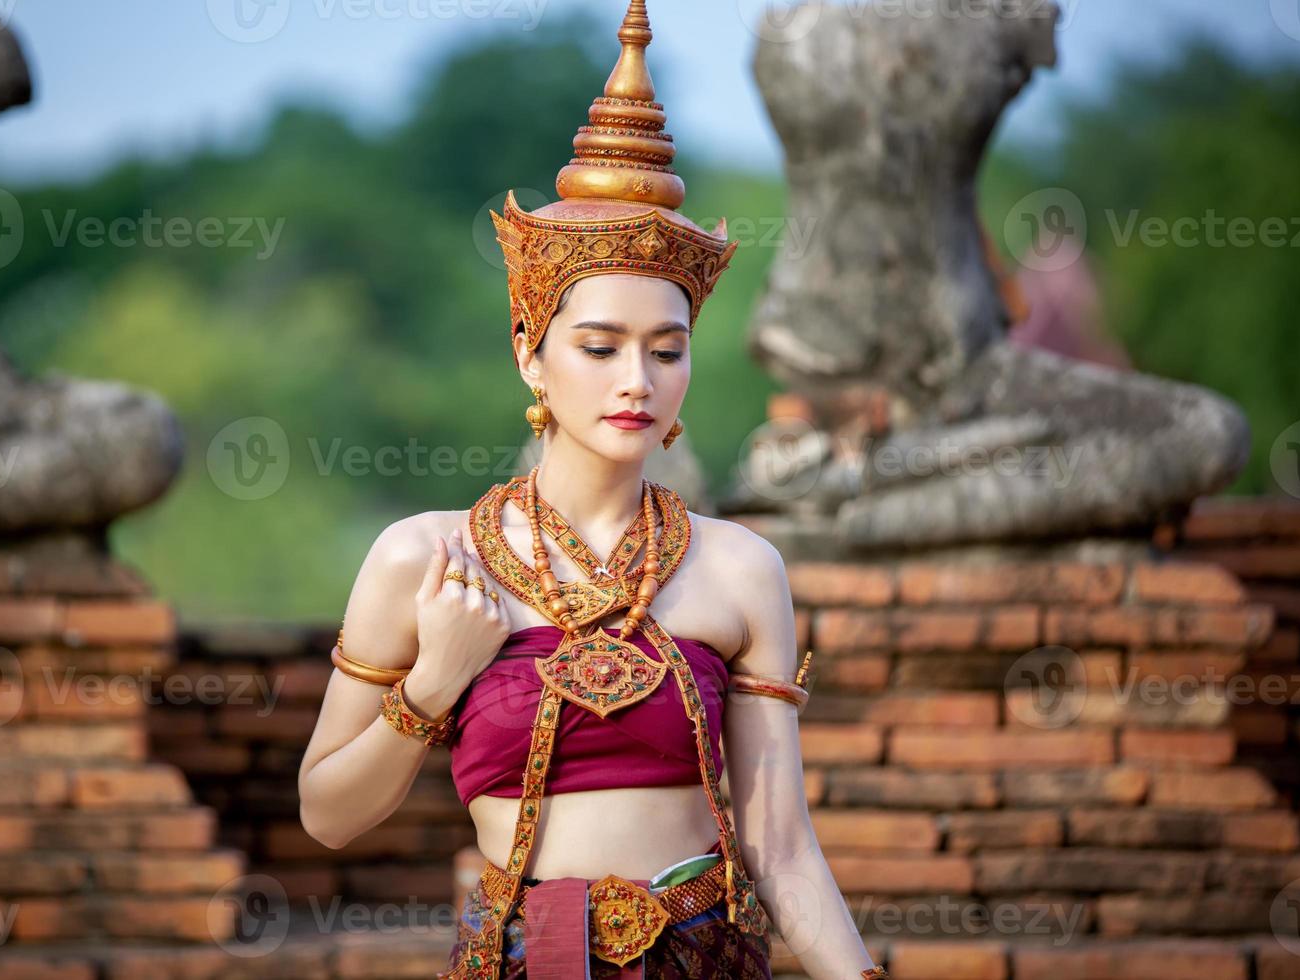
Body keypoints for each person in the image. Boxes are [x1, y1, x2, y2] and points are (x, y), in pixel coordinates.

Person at [298, 2, 884, 976]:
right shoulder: (428, 558)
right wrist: (434, 679)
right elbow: (327, 813)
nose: (635, 380)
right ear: (531, 355)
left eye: (666, 349)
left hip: (703, 955)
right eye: (599, 346)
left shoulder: (741, 568)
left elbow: (781, 847)